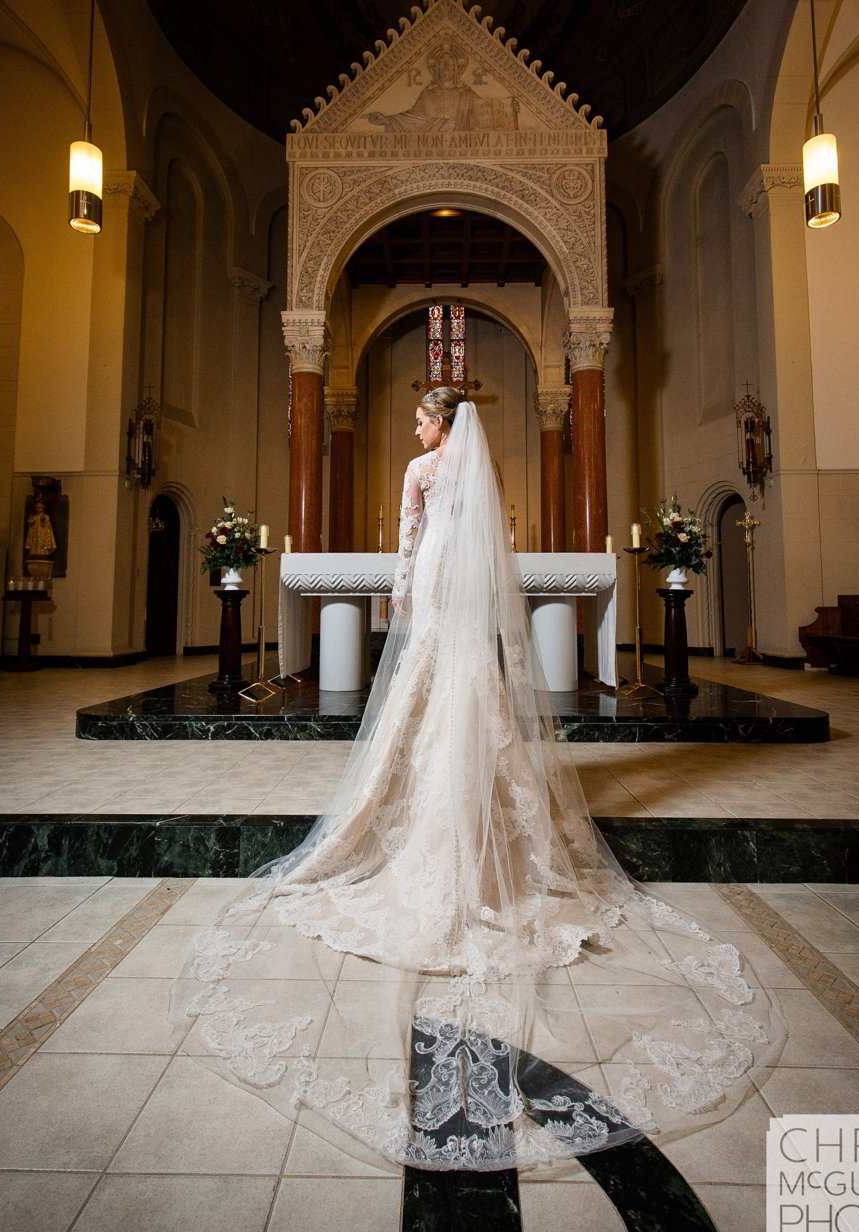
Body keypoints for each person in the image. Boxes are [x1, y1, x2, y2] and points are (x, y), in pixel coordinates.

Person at [176, 388, 783, 1171]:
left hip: (435, 586)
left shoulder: (423, 468)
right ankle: (468, 825)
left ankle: (442, 830)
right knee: (456, 697)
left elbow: (409, 534)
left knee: (439, 699)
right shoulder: (478, 468)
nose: (418, 428)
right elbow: (488, 542)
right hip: (458, 594)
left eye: (424, 418)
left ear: (439, 421)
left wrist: (400, 585)